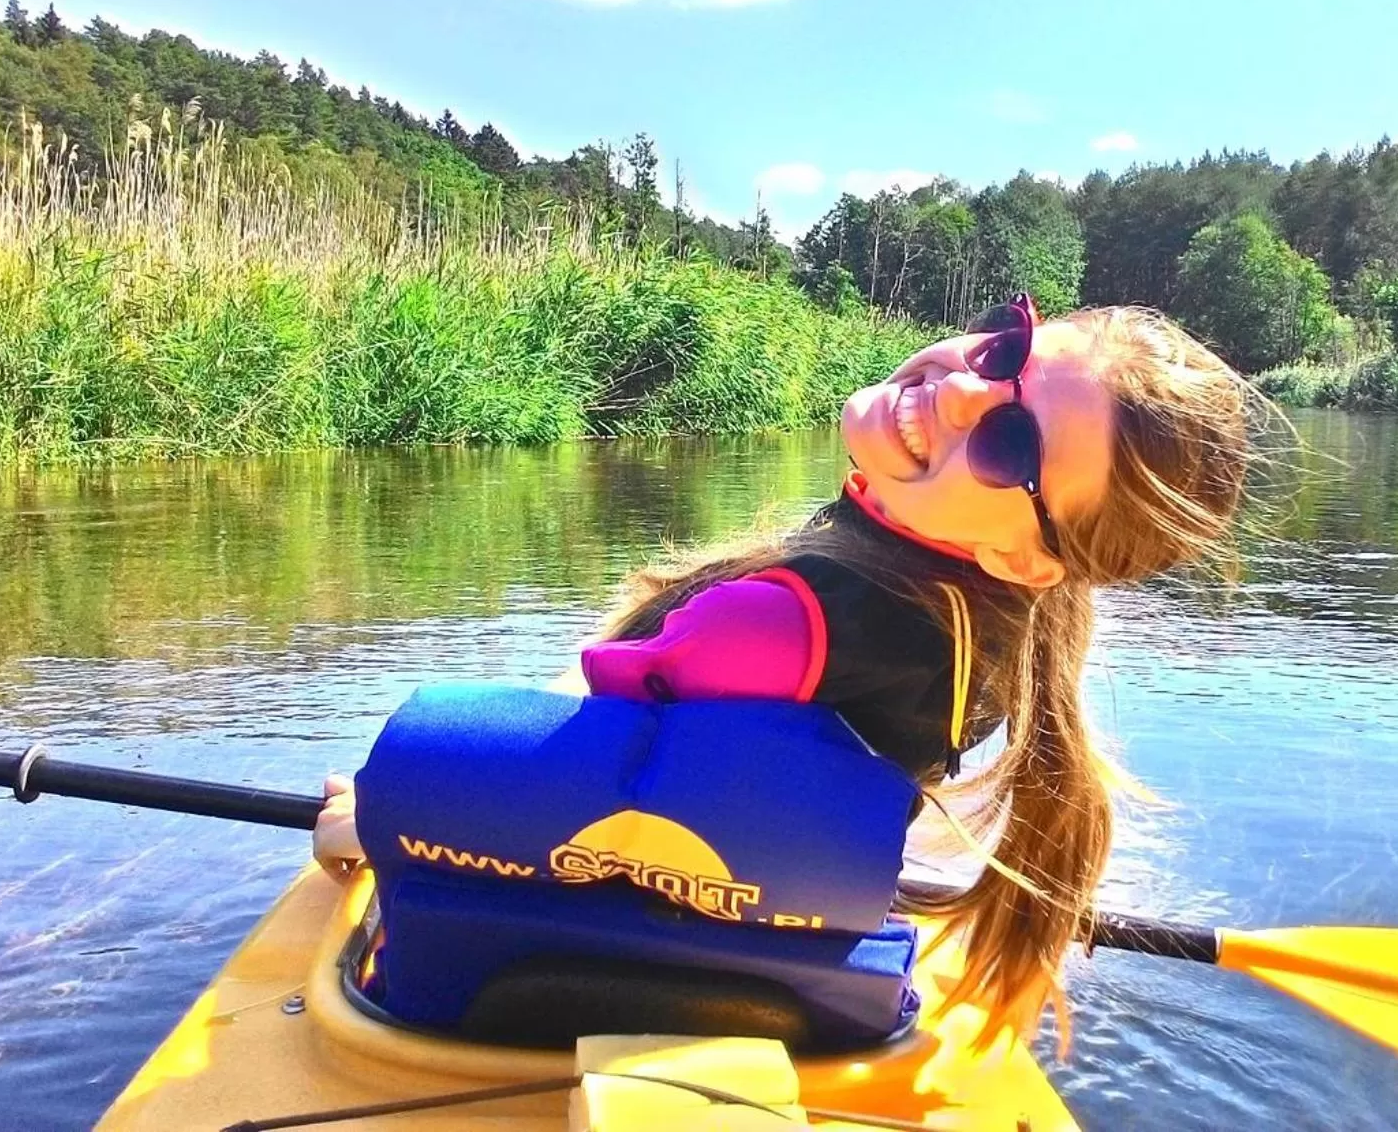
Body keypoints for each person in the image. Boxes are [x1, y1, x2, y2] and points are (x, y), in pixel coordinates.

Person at [315, 294, 1257, 1046]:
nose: (964, 391)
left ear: (1028, 557)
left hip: (541, 962)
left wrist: (381, 814)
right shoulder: (1003, 627)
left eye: (1011, 445)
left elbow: (576, 770)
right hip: (791, 982)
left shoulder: (765, 626)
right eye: (1006, 348)